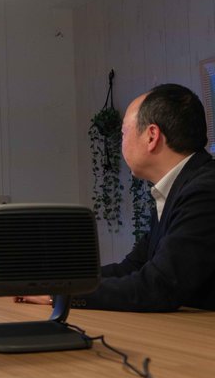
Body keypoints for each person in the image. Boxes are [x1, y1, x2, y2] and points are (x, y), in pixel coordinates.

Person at [17, 83, 215, 311]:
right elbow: (132, 268)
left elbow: (159, 286)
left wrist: (62, 293)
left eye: (123, 132)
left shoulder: (204, 191)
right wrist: (56, 282)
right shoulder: (178, 188)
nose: (122, 142)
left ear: (152, 136)